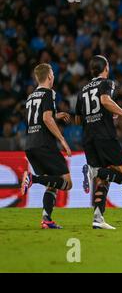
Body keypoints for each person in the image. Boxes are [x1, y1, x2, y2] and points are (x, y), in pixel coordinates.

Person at [75, 55, 122, 229]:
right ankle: (93, 171)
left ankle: (98, 218)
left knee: (103, 179)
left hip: (88, 138)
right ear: (106, 68)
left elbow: (77, 119)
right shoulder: (107, 83)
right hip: (105, 136)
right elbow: (105, 100)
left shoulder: (82, 90)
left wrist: (96, 118)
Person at [21, 63, 73, 229]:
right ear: (50, 76)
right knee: (67, 183)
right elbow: (45, 119)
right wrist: (62, 140)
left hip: (30, 144)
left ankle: (46, 219)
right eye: (53, 75)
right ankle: (32, 179)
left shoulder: (30, 97)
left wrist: (56, 115)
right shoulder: (49, 93)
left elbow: (37, 118)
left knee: (53, 183)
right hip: (45, 144)